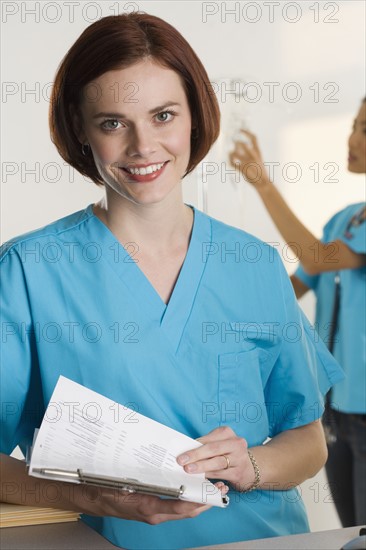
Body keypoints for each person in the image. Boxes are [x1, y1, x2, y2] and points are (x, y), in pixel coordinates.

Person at [0, 12, 344, 550]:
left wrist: (251, 464)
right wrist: (93, 498)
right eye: (113, 123)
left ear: (194, 116)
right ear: (81, 129)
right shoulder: (29, 271)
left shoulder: (251, 263)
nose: (144, 146)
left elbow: (308, 440)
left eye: (163, 115)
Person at [230, 98, 366, 528]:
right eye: (355, 125)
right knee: (350, 531)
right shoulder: (344, 219)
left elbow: (317, 256)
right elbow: (287, 291)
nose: (353, 139)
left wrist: (263, 185)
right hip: (334, 408)